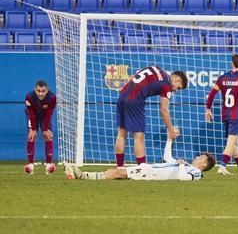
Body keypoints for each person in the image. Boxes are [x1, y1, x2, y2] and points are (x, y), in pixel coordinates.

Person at [115, 66, 188, 167]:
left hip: (122, 95)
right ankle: (142, 168)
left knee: (121, 134)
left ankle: (119, 167)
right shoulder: (167, 85)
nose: (176, 91)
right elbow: (164, 109)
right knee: (139, 136)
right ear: (176, 79)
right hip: (135, 100)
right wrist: (170, 130)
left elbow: (134, 77)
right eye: (178, 88)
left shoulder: (156, 68)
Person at [64, 149, 216, 181]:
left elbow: (183, 178)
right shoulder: (188, 165)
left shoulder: (196, 173)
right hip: (150, 169)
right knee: (120, 172)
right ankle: (83, 176)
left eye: (200, 157)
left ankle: (84, 176)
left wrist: (181, 165)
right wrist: (170, 139)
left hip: (152, 174)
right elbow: (167, 157)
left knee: (119, 172)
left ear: (204, 163)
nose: (197, 157)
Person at [24, 80, 57, 175]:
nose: (40, 93)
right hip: (32, 116)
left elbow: (49, 112)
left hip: (45, 117)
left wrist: (46, 129)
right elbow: (31, 114)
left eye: (43, 91)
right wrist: (33, 129)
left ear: (47, 91)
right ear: (35, 90)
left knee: (48, 136)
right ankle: (30, 165)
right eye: (38, 91)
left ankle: (49, 165)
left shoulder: (52, 98)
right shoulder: (29, 97)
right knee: (32, 136)